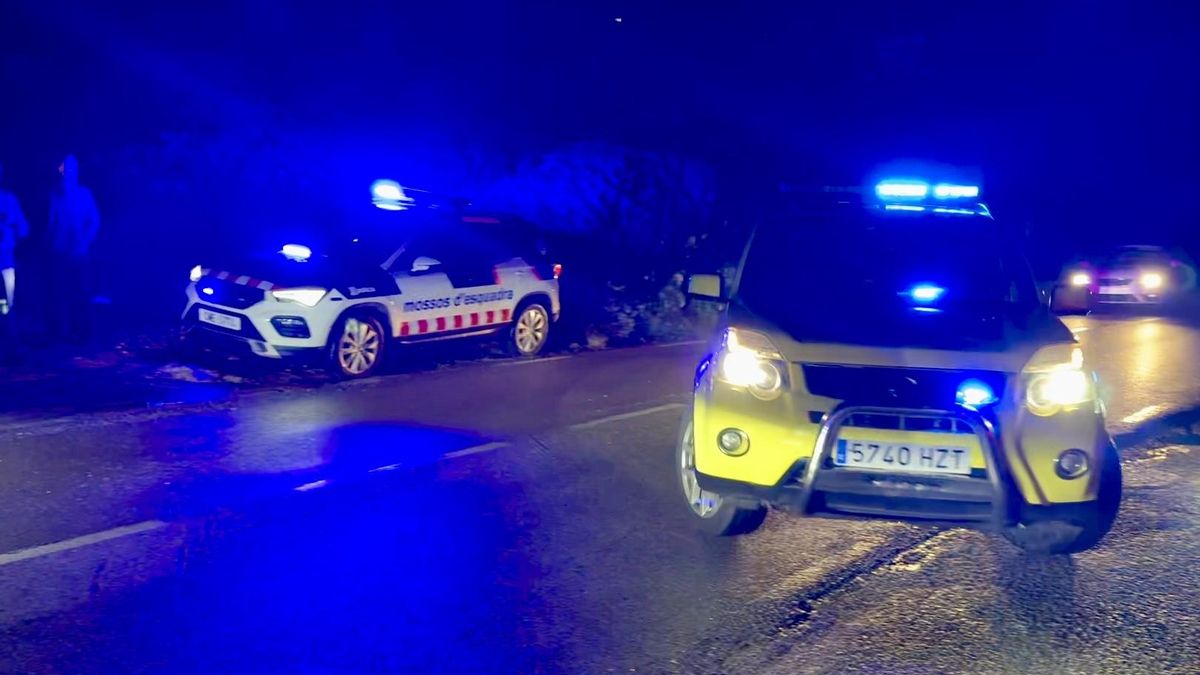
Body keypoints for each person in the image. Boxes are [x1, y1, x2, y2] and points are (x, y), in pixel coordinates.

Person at [48, 154, 101, 343]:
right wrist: (52, 242)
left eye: (71, 167)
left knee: (82, 291)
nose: (68, 171)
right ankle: (64, 333)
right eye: (65, 167)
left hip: (79, 251)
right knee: (61, 293)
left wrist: (85, 239)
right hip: (60, 252)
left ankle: (85, 333)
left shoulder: (84, 194)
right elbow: (51, 222)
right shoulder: (56, 195)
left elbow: (94, 220)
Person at [0, 161, 29, 315]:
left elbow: (23, 227)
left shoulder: (10, 200)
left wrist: (14, 227)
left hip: (7, 257)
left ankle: (8, 320)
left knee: (9, 299)